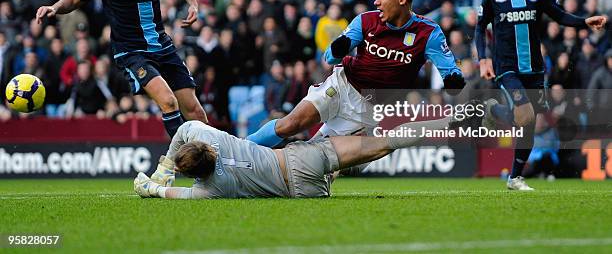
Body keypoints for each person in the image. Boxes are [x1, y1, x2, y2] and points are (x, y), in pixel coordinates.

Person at [247, 0, 465, 147]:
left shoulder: (429, 32)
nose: (376, 1)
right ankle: (242, 148)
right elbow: (329, 57)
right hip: (342, 86)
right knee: (291, 124)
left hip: (369, 110)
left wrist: (453, 80)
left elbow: (449, 71)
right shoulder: (366, 20)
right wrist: (339, 49)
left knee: (317, 157)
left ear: (402, 0)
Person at [36, 0, 207, 136]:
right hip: (132, 52)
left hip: (162, 46)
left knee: (196, 112)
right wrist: (54, 7)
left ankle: (214, 164)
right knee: (169, 102)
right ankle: (177, 163)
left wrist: (193, 3)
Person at [474, 0, 607, 191]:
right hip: (507, 66)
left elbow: (560, 15)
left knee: (530, 123)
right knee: (525, 114)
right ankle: (496, 114)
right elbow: (480, 29)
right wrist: (483, 59)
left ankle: (514, 176)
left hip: (534, 67)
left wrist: (584, 22)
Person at [134, 115, 474, 199]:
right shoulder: (213, 138)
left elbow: (175, 193)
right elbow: (184, 128)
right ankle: (449, 121)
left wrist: (150, 188)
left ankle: (342, 169)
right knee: (385, 142)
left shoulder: (212, 189)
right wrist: (165, 165)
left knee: (338, 162)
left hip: (301, 191)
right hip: (299, 159)